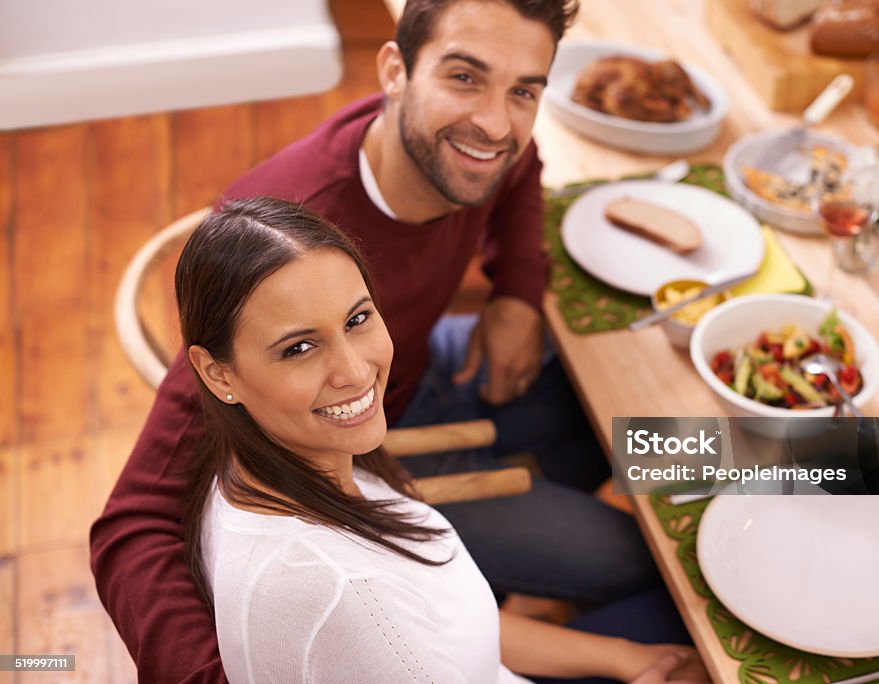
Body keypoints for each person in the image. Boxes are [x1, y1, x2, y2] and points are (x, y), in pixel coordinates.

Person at [91, 0, 662, 680]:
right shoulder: (298, 238)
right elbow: (133, 528)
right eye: (464, 78)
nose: (494, 123)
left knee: (639, 410)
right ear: (395, 70)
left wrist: (516, 293)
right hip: (354, 444)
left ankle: (803, 464)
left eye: (523, 91)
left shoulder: (475, 145)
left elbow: (520, 162)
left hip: (416, 373)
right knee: (645, 554)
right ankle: (501, 611)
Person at [177, 196, 706, 683]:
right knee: (673, 569)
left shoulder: (263, 456)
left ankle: (779, 457)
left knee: (617, 419)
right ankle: (779, 459)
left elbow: (454, 628)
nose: (355, 370)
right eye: (298, 348)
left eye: (358, 319)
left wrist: (625, 657)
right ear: (218, 374)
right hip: (427, 470)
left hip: (431, 430)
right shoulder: (351, 599)